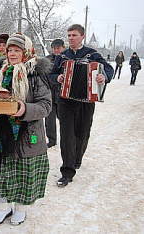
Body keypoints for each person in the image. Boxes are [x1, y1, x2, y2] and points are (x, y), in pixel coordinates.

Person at [0, 33, 52, 226]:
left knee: (24, 173)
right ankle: (3, 207)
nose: (12, 54)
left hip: (26, 132)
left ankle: (21, 209)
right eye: (9, 50)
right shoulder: (1, 72)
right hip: (1, 132)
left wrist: (24, 109)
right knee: (2, 170)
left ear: (26, 52)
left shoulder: (35, 75)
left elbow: (46, 106)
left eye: (17, 50)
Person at [49, 24, 114, 187]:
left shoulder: (92, 54)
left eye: (74, 35)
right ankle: (67, 171)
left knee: (82, 134)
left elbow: (108, 69)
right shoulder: (62, 56)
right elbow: (51, 73)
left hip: (86, 101)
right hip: (65, 101)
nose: (71, 38)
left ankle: (76, 158)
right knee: (67, 135)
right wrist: (58, 78)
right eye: (69, 35)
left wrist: (103, 77)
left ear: (82, 37)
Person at [45, 38, 65, 148]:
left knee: (65, 121)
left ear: (63, 48)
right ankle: (52, 140)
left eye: (58, 48)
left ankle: (65, 139)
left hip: (63, 96)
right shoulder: (47, 61)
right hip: (50, 95)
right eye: (54, 48)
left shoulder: (67, 59)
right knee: (49, 121)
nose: (56, 50)